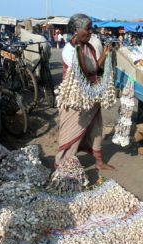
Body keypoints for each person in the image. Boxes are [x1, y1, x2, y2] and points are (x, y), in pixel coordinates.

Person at [55, 13, 114, 170]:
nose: (91, 32)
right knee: (71, 134)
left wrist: (105, 54)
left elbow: (94, 68)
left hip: (92, 98)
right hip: (76, 102)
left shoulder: (89, 47)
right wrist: (78, 49)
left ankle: (99, 162)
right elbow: (82, 71)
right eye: (88, 29)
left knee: (96, 130)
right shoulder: (69, 50)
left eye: (91, 29)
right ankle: (62, 168)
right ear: (76, 30)